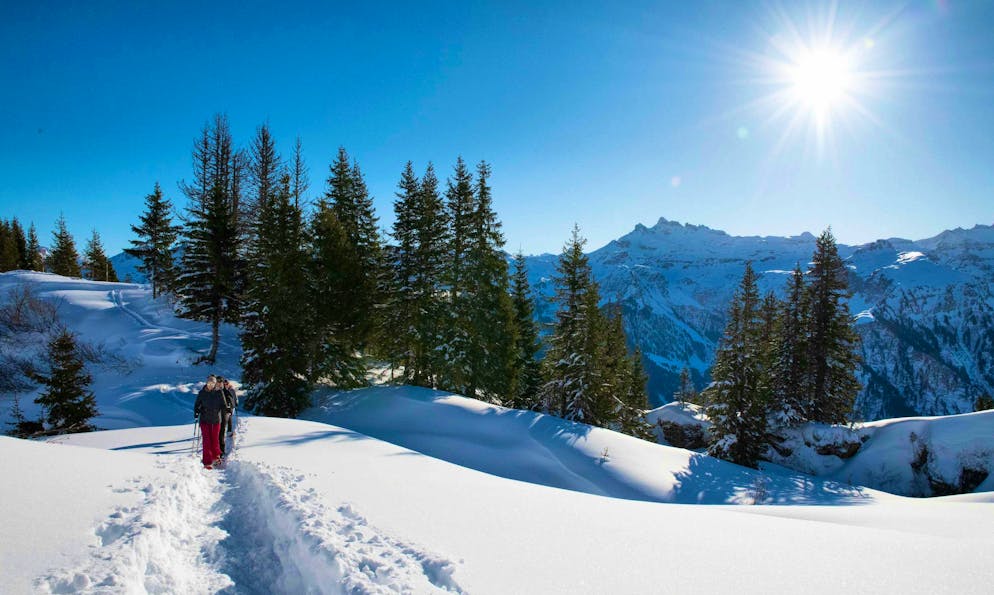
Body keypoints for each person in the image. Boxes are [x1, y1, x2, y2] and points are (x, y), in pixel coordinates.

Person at [193, 374, 225, 469]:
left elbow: (223, 404)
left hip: (216, 419)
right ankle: (207, 461)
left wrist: (226, 409)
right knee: (207, 440)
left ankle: (216, 457)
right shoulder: (202, 393)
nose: (210, 385)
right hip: (205, 419)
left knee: (215, 439)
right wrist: (197, 411)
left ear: (215, 384)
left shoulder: (219, 392)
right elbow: (197, 404)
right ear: (206, 383)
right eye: (209, 383)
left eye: (212, 383)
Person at [217, 377, 235, 458]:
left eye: (221, 382)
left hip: (223, 414)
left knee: (221, 432)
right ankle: (215, 451)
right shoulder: (214, 391)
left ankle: (221, 450)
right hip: (214, 415)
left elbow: (231, 400)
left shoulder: (226, 391)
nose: (220, 383)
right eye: (218, 382)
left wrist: (229, 409)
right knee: (215, 433)